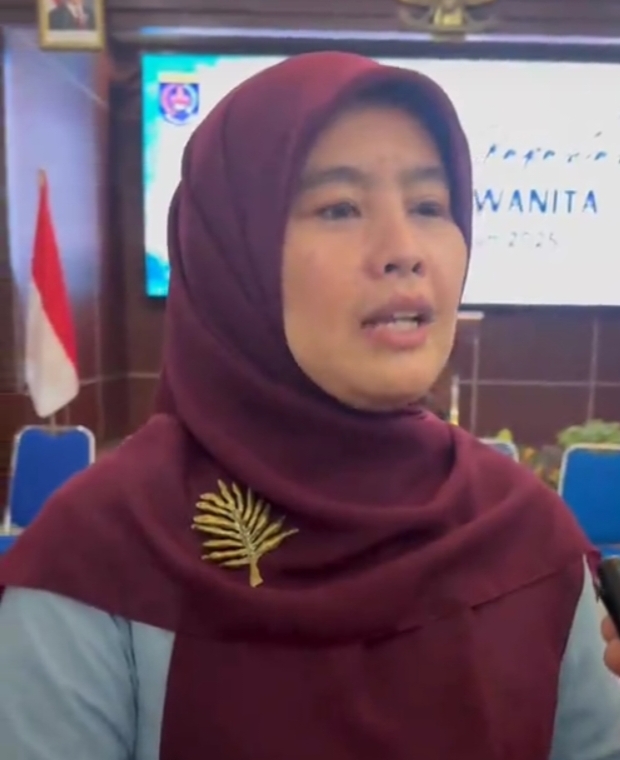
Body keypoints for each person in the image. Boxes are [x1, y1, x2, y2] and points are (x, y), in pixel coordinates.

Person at [0, 51, 619, 760]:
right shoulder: (102, 551)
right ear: (232, 251)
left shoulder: (525, 534)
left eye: (429, 206)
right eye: (339, 208)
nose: (404, 250)